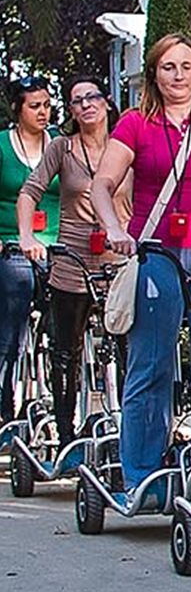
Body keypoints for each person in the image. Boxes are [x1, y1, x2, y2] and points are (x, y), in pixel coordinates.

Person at [91, 35, 191, 490]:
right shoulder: (136, 123)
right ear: (154, 73)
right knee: (152, 363)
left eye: (187, 66)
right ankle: (142, 474)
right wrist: (115, 228)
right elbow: (102, 184)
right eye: (168, 67)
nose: (178, 75)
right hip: (155, 250)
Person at [17, 75, 130, 445]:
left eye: (92, 97)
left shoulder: (127, 145)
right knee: (66, 350)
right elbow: (30, 192)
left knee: (132, 350)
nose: (86, 105)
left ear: (107, 102)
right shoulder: (63, 149)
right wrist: (27, 236)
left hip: (121, 262)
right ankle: (67, 433)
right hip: (72, 260)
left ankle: (132, 431)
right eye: (76, 100)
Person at [1, 75, 59, 433]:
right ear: (17, 109)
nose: (43, 112)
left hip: (58, 246)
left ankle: (63, 390)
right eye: (34, 106)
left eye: (47, 105)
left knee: (71, 309)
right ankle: (6, 400)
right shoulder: (3, 147)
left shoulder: (61, 146)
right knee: (16, 293)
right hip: (10, 244)